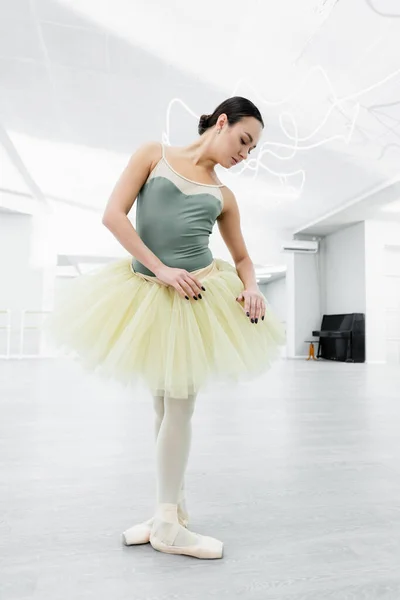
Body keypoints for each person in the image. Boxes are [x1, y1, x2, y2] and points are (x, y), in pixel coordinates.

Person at [47, 96, 286, 559]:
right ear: (222, 122)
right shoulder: (152, 155)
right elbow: (113, 215)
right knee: (161, 406)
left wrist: (252, 287)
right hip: (149, 290)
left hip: (196, 297)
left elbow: (242, 259)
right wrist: (160, 270)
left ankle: (168, 524)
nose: (245, 154)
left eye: (252, 150)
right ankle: (169, 514)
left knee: (178, 407)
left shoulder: (223, 196)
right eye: (244, 140)